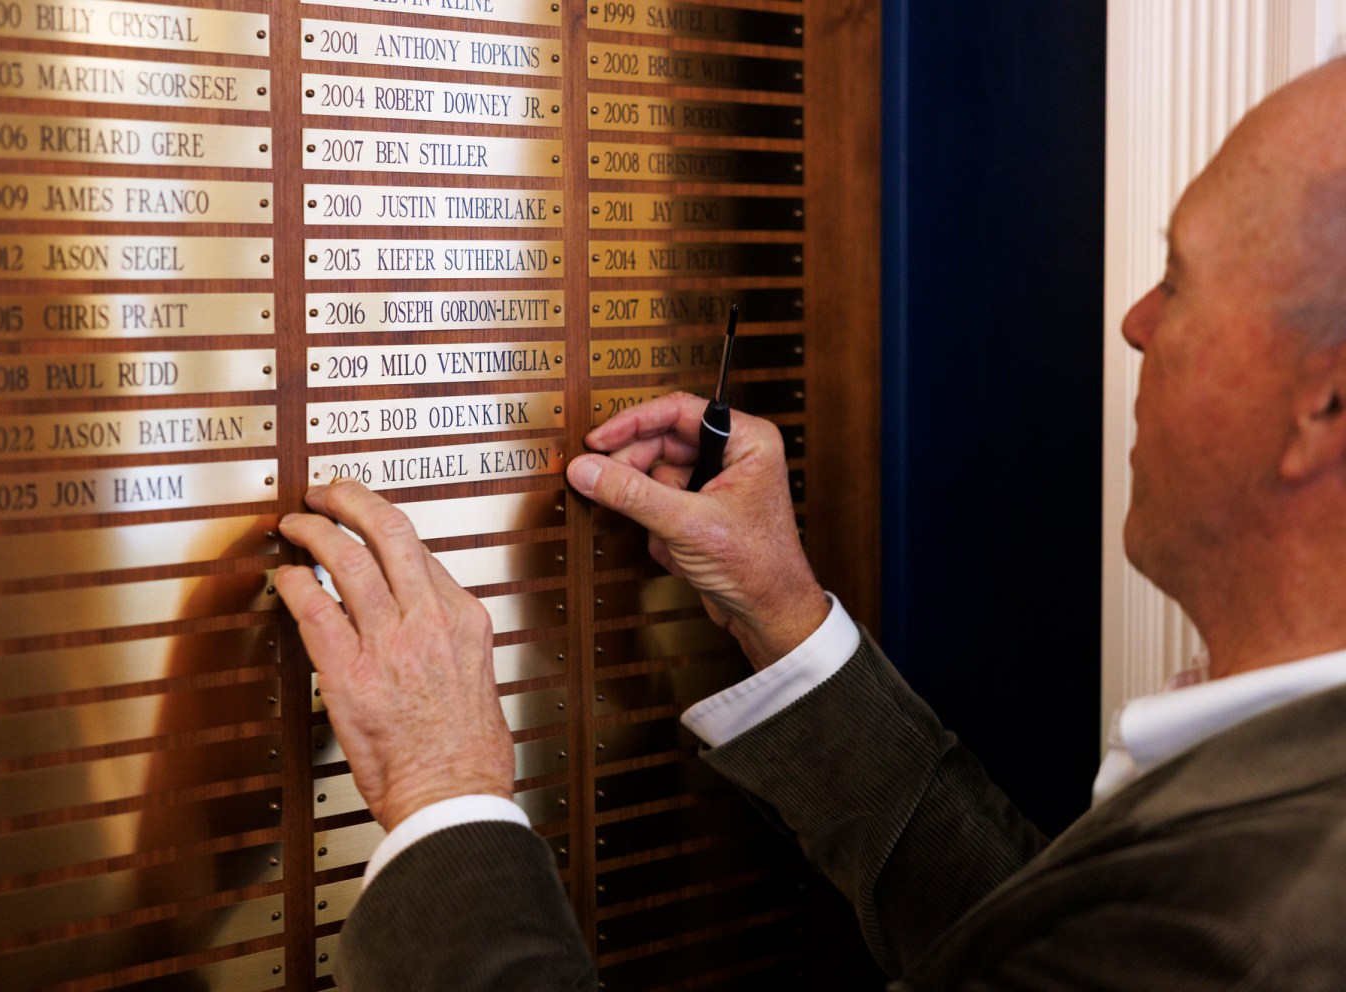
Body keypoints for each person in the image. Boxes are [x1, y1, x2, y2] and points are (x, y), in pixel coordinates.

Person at [275, 57, 1346, 991]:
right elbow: (1025, 944)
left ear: (1326, 404)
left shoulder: (1268, 924)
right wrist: (786, 614)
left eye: (1180, 277)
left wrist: (442, 794)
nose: (1136, 322)